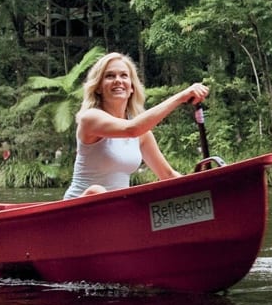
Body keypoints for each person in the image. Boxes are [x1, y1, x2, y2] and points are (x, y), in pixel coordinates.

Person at [63, 53, 208, 199]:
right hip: (79, 209)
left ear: (132, 87)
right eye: (110, 76)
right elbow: (131, 129)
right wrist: (181, 97)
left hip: (117, 210)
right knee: (97, 190)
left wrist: (203, 191)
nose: (118, 80)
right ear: (98, 87)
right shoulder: (90, 118)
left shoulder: (143, 134)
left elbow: (168, 175)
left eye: (124, 76)